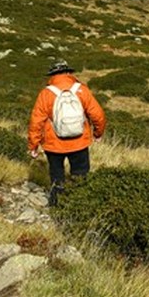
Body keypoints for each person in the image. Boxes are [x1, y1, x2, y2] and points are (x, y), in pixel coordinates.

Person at [28, 60, 107, 206]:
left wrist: (34, 146)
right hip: (79, 142)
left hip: (53, 144)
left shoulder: (46, 94)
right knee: (81, 176)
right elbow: (98, 115)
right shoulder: (82, 90)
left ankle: (57, 206)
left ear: (52, 75)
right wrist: (98, 133)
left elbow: (36, 122)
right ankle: (82, 205)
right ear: (69, 73)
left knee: (57, 177)